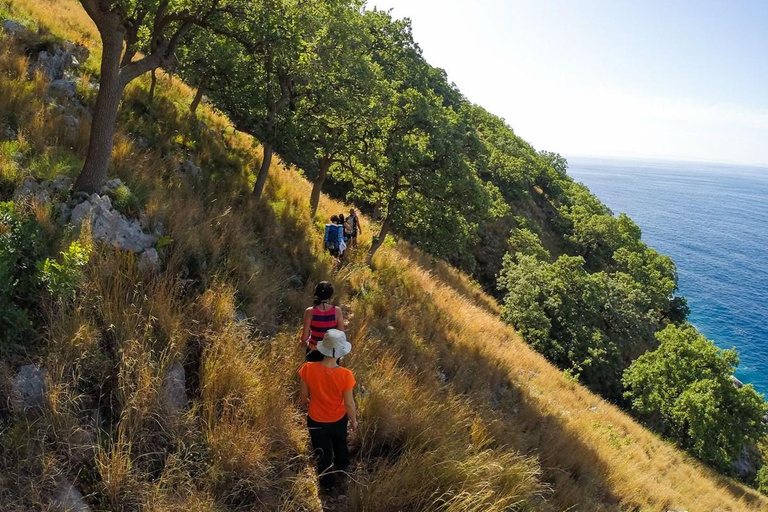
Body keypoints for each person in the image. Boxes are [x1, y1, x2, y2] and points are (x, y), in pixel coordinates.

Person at [299, 329, 357, 492]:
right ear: (341, 352)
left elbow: (304, 394)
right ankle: (342, 466)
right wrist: (353, 420)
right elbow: (349, 403)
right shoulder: (346, 375)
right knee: (340, 443)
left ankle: (327, 482)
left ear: (322, 348)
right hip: (338, 419)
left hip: (316, 419)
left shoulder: (308, 368)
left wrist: (305, 403)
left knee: (321, 451)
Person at [301, 282, 344, 362]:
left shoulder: (310, 311)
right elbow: (340, 335)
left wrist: (305, 343)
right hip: (330, 353)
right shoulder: (337, 311)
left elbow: (304, 338)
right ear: (330, 294)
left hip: (313, 351)